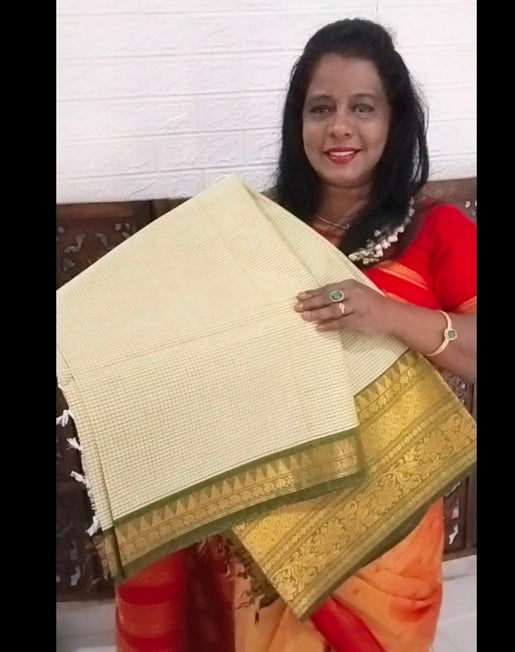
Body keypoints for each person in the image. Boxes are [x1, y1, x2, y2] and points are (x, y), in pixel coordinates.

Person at [114, 17, 476, 652]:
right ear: (298, 122)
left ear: (394, 121)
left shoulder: (439, 230)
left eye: (363, 107)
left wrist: (386, 314)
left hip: (385, 537)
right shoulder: (253, 229)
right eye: (321, 108)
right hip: (270, 520)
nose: (340, 127)